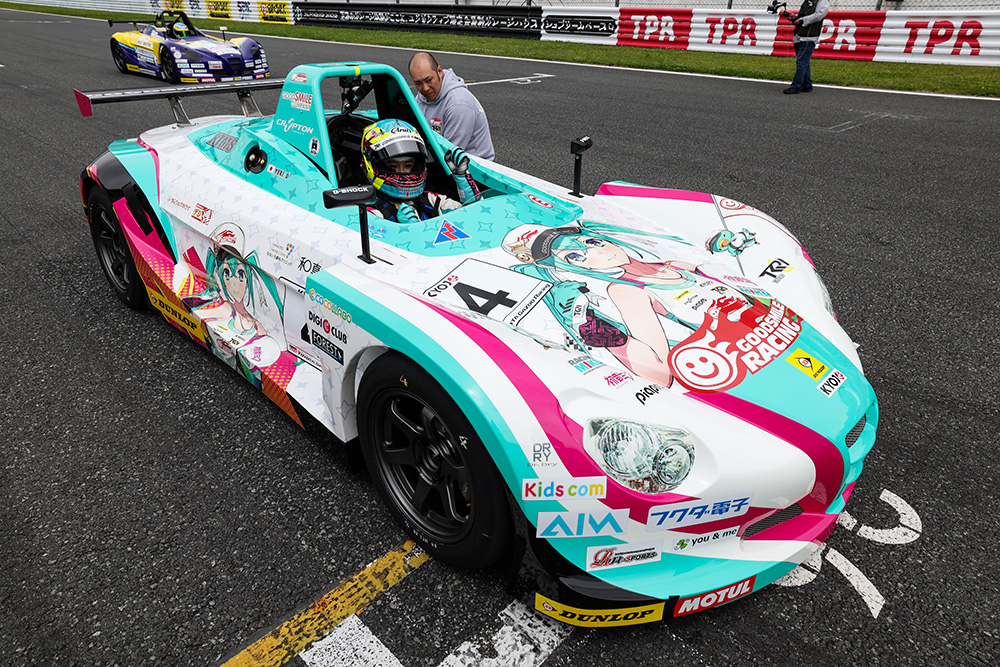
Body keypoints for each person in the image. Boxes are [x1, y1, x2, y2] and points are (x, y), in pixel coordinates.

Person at [361, 119, 478, 223]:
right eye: (392, 166)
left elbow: (474, 215)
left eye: (408, 165)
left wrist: (462, 178)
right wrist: (405, 231)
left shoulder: (431, 200)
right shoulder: (370, 214)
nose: (402, 172)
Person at [408, 52, 496, 161]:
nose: (425, 88)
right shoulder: (422, 97)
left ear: (439, 71)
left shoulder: (458, 103)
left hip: (473, 167)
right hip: (441, 159)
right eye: (418, 83)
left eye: (428, 80)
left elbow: (449, 156)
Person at [783, 0, 830, 94]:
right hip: (799, 34)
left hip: (809, 37)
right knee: (804, 62)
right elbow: (803, 15)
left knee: (801, 62)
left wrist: (802, 20)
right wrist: (795, 17)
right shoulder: (807, 1)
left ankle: (796, 86)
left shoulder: (823, 1)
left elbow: (818, 15)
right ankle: (807, 85)